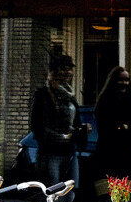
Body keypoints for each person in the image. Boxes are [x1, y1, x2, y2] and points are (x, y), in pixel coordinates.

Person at [29, 51, 88, 186]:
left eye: (69, 69)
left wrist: (81, 130)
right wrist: (61, 137)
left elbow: (73, 123)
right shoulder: (43, 95)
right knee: (53, 191)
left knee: (71, 190)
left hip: (69, 152)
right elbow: (37, 126)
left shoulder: (69, 95)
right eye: (63, 69)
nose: (67, 73)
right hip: (51, 153)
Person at [93, 65, 131, 180]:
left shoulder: (130, 101)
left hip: (125, 154)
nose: (124, 83)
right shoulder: (105, 101)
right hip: (108, 154)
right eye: (120, 79)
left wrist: (127, 128)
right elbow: (107, 128)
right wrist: (125, 127)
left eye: (126, 80)